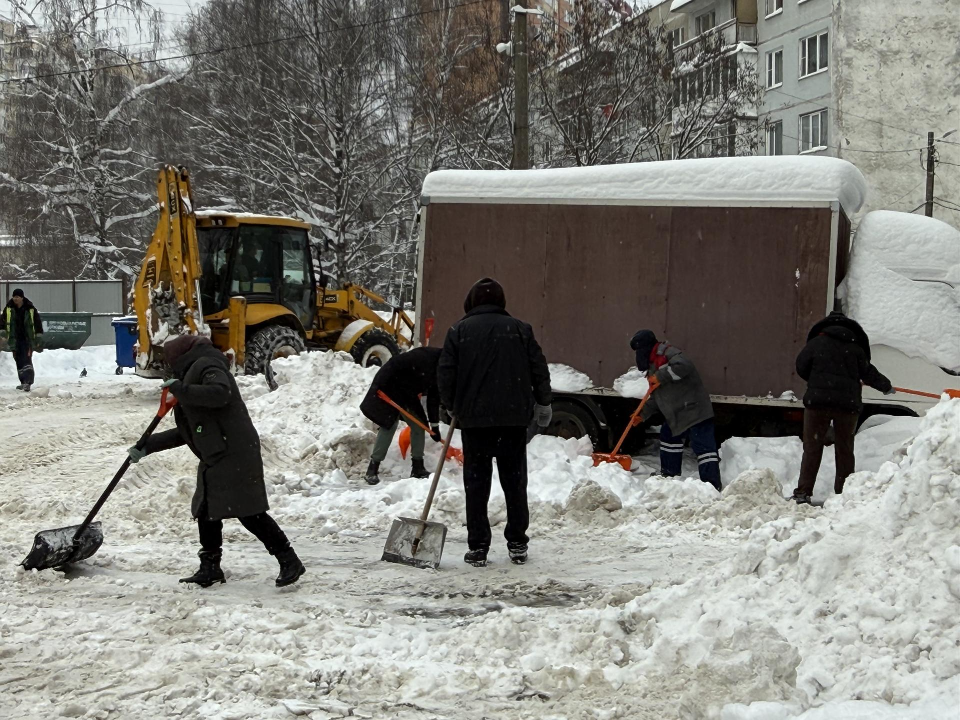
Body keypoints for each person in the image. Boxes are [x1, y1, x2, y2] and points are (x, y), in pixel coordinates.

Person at [128, 334, 305, 588]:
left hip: (234, 450)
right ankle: (210, 567)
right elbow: (188, 430)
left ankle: (289, 559)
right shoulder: (193, 371)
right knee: (207, 509)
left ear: (179, 357)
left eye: (169, 360)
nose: (167, 365)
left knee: (248, 511)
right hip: (217, 450)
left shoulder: (207, 365)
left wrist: (181, 389)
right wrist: (147, 446)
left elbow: (220, 392)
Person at [438, 278, 552, 567]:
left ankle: (478, 546)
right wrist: (544, 401)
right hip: (513, 421)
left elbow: (445, 373)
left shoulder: (458, 331)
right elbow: (538, 368)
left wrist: (450, 405)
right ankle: (517, 542)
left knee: (476, 485)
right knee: (515, 483)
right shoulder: (520, 329)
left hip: (475, 422)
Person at [793, 311, 893, 504]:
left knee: (812, 447)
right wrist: (886, 386)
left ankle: (803, 492)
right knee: (845, 449)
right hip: (847, 407)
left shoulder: (816, 344)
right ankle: (844, 493)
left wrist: (817, 381)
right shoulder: (855, 348)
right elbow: (869, 373)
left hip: (817, 404)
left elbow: (801, 366)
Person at [630, 330, 721, 491]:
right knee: (668, 439)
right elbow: (658, 397)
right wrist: (642, 415)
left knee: (704, 448)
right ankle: (669, 478)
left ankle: (711, 486)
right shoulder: (652, 365)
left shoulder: (667, 353)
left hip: (695, 410)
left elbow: (685, 366)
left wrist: (661, 376)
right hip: (677, 413)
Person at [360, 346, 443, 485]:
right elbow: (433, 396)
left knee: (418, 425)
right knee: (389, 425)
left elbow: (434, 395)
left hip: (406, 391)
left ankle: (417, 467)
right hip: (388, 386)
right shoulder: (432, 361)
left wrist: (434, 427)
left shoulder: (440, 363)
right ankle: (372, 469)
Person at [4, 288, 43, 392]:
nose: (15, 299)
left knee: (26, 359)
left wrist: (38, 336)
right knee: (18, 360)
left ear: (22, 298)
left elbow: (37, 322)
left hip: (27, 338)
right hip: (14, 339)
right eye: (14, 297)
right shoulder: (8, 308)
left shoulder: (30, 308)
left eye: (17, 297)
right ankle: (22, 382)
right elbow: (2, 322)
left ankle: (28, 382)